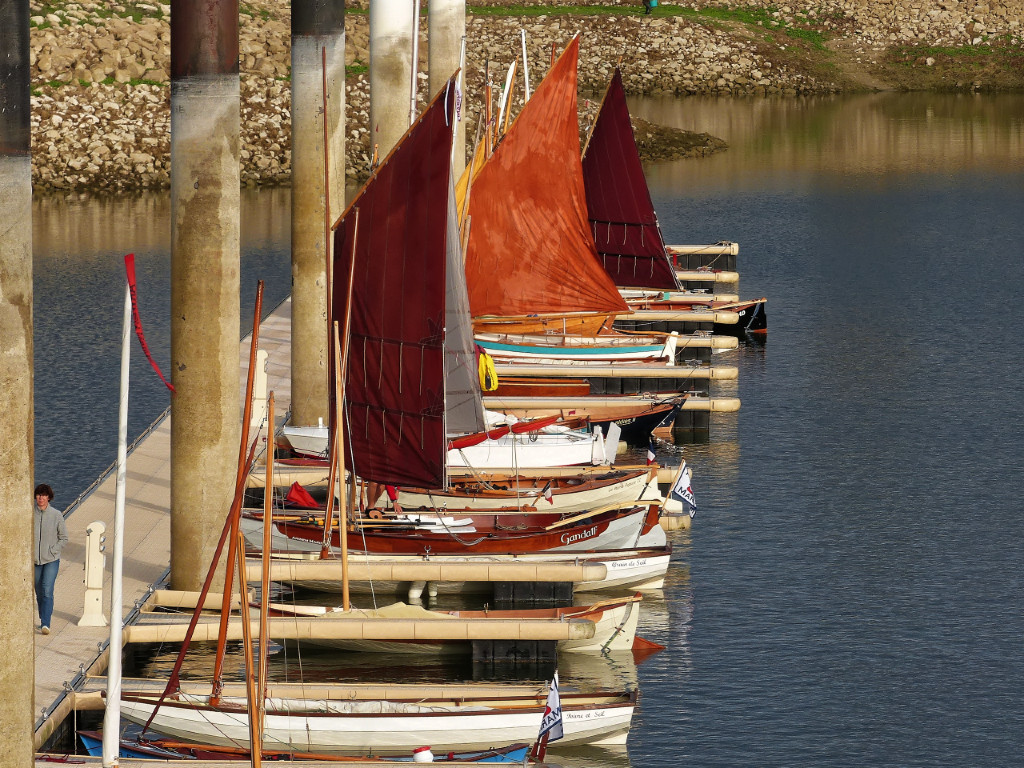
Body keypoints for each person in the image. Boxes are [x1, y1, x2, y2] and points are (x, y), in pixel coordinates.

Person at [33, 483, 68, 635]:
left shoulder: (56, 515)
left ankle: (46, 623)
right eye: (38, 495)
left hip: (51, 559)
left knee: (47, 590)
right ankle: (43, 618)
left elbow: (64, 538)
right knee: (39, 592)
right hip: (34, 560)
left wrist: (52, 550)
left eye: (43, 495)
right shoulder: (30, 514)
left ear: (49, 497)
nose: (40, 498)